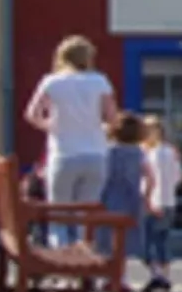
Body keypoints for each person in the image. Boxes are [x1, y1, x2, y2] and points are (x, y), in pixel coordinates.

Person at [24, 35, 118, 246]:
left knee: (58, 215)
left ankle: (62, 264)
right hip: (95, 154)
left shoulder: (51, 81)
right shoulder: (100, 81)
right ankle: (83, 261)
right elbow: (112, 117)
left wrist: (51, 126)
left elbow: (31, 114)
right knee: (85, 217)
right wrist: (100, 128)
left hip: (64, 153)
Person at [140, 115, 182, 292]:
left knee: (147, 242)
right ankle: (165, 276)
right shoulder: (171, 152)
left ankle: (157, 276)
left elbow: (150, 180)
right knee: (162, 241)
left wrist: (148, 199)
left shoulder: (152, 154)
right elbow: (178, 177)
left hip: (154, 201)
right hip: (169, 202)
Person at [98, 112, 146, 265]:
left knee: (105, 236)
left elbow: (105, 175)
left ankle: (104, 273)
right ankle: (120, 275)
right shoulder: (139, 153)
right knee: (124, 239)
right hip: (131, 198)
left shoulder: (110, 151)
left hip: (110, 196)